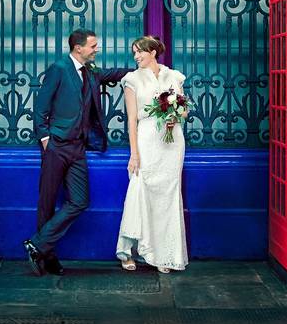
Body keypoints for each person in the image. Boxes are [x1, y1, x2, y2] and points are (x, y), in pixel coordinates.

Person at [24, 28, 131, 276]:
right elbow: (41, 106)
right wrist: (45, 139)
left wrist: (144, 69)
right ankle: (47, 258)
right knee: (47, 202)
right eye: (93, 46)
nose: (97, 49)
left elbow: (113, 73)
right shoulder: (59, 69)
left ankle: (37, 245)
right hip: (57, 146)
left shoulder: (91, 71)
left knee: (80, 200)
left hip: (78, 147)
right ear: (78, 48)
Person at [115, 36, 188, 273]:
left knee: (168, 196)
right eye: (134, 53)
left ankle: (164, 255)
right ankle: (128, 251)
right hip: (147, 140)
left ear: (153, 52)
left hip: (172, 141)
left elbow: (185, 111)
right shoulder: (132, 80)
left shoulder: (174, 76)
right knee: (140, 191)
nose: (136, 56)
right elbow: (132, 120)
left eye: (140, 52)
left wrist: (175, 111)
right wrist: (134, 154)